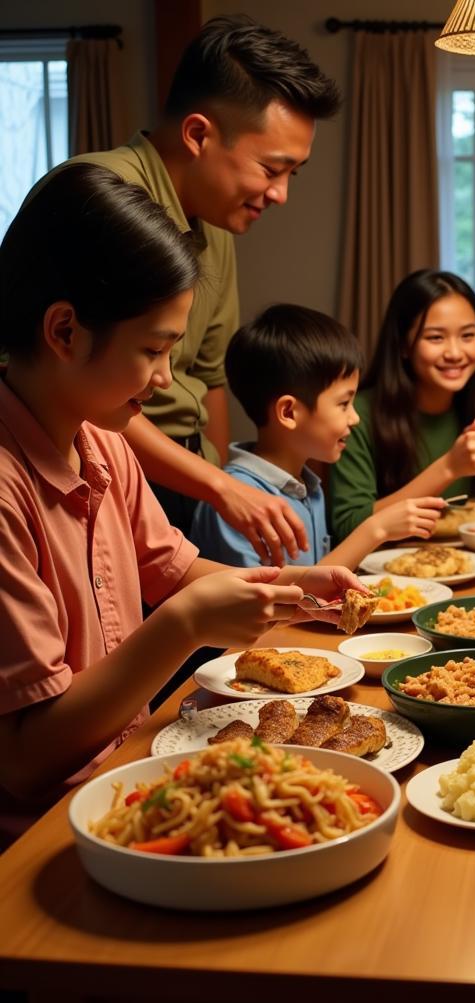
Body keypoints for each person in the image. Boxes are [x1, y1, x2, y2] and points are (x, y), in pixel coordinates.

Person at [0, 165, 364, 835]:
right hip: (46, 830)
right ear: (63, 332)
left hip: (131, 776)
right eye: (152, 350)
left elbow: (172, 570)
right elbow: (23, 763)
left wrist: (293, 585)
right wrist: (181, 625)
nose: (168, 379)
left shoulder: (102, 440)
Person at [43, 15, 341, 565]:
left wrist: (224, 482)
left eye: (292, 174)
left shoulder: (214, 221)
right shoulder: (98, 196)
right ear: (199, 134)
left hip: (185, 475)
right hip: (102, 465)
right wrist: (220, 487)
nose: (280, 194)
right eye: (271, 168)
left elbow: (207, 380)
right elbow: (70, 387)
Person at [191, 304, 446, 567]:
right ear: (289, 412)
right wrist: (376, 530)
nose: (355, 417)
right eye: (344, 404)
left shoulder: (308, 488)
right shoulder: (235, 503)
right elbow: (265, 603)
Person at [329, 270, 475, 542]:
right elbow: (349, 524)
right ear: (403, 345)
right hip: (380, 576)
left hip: (464, 568)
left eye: (468, 336)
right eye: (436, 338)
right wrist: (449, 467)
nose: (455, 353)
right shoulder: (355, 416)